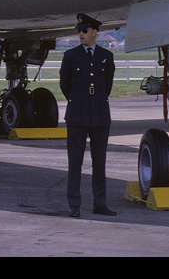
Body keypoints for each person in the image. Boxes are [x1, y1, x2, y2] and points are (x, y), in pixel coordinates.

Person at [59, 13, 116, 218]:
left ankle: (99, 204)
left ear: (94, 32)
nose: (80, 34)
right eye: (79, 31)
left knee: (99, 162)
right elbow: (65, 85)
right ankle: (74, 204)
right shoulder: (71, 56)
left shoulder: (106, 56)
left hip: (100, 114)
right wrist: (78, 100)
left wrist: (94, 99)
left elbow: (107, 85)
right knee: (75, 162)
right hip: (77, 113)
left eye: (84, 31)